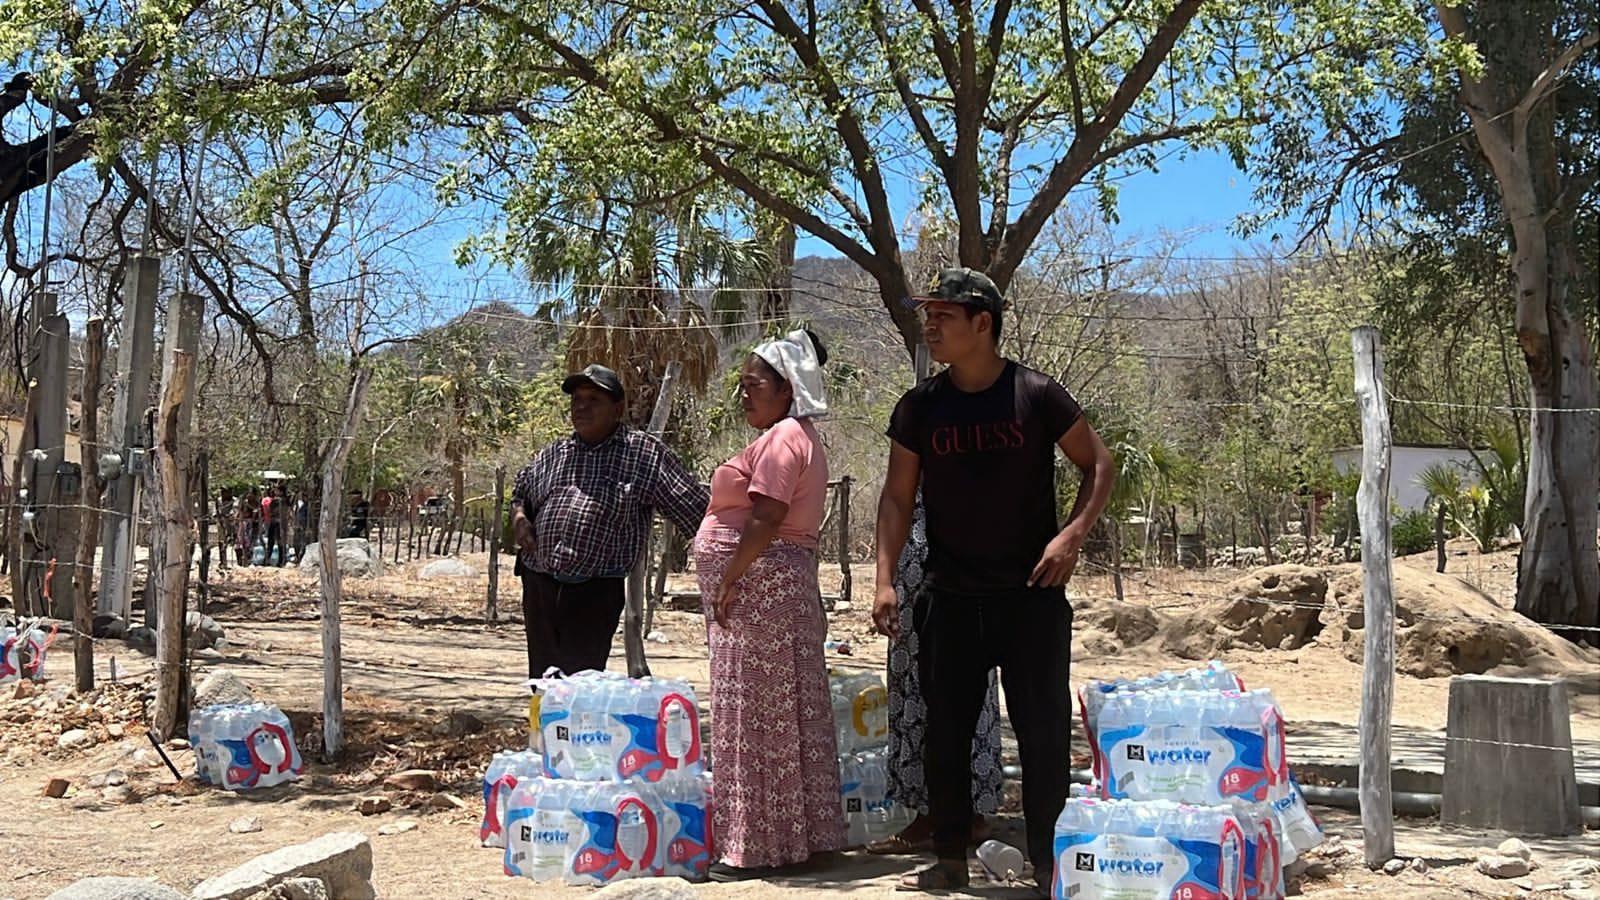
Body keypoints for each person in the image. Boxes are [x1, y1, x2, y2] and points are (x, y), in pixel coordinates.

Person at [874, 268, 1115, 894]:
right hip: (948, 597)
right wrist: (884, 581)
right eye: (927, 313)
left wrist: (1072, 535)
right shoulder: (920, 408)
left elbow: (1097, 464)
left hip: (1030, 598)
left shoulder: (1037, 396)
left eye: (944, 314)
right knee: (944, 734)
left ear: (983, 322)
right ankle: (950, 859)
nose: (930, 324)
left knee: (1041, 735)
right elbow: (897, 499)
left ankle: (1048, 864)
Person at [693, 328, 845, 881]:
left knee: (753, 714)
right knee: (791, 712)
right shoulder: (796, 435)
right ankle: (811, 837)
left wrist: (731, 578)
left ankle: (752, 845)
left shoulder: (784, 437)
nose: (743, 394)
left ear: (787, 390)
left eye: (753, 384)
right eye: (741, 384)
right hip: (779, 586)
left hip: (762, 590)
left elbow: (766, 516)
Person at [510, 363, 708, 679]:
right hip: (539, 584)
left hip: (595, 591)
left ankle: (571, 729)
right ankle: (542, 730)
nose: (582, 407)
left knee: (580, 684)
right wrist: (520, 518)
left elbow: (697, 511)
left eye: (593, 400)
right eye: (576, 400)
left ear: (617, 408)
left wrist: (728, 565)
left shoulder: (642, 454)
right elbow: (520, 492)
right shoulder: (554, 454)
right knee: (543, 682)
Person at [869, 491, 1003, 855]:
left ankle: (938, 815)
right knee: (935, 681)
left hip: (947, 568)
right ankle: (961, 811)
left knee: (938, 683)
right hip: (951, 565)